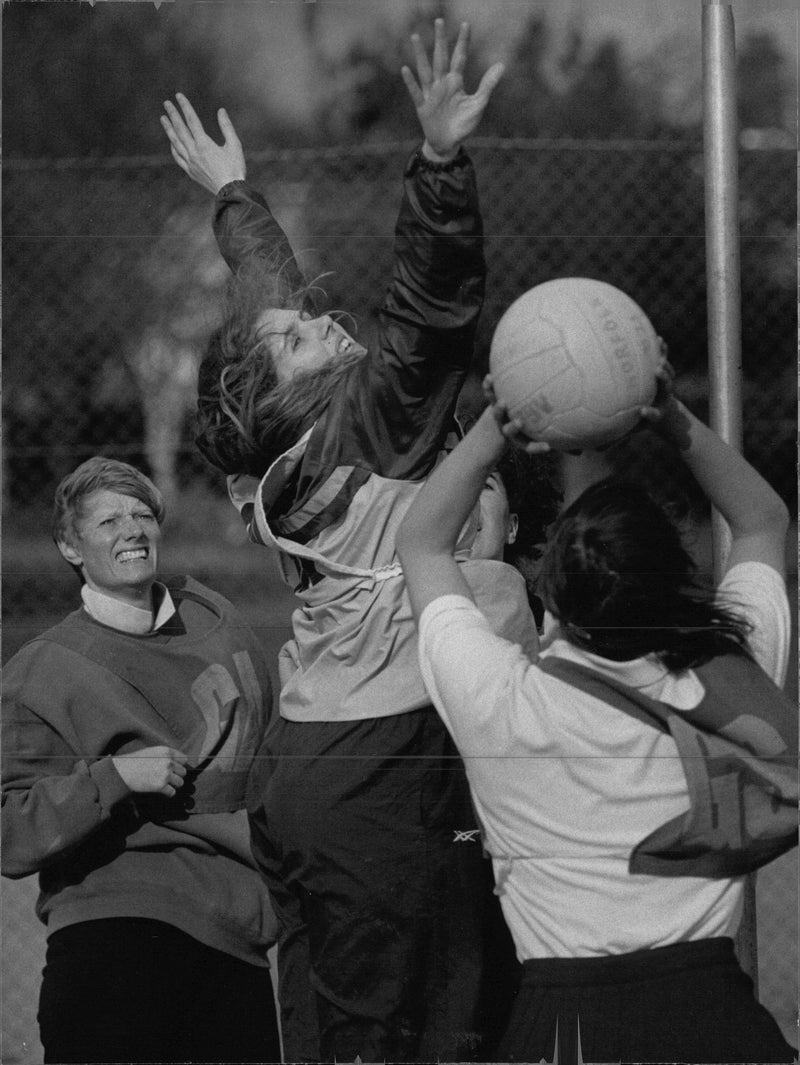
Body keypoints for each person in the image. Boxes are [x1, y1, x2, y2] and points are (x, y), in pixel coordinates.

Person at [160, 21, 532, 1063]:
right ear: (286, 396)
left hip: (311, 766)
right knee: (434, 1030)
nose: (315, 319)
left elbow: (265, 301)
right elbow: (430, 309)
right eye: (297, 340)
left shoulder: (290, 449)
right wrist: (440, 164)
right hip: (379, 768)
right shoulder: (362, 428)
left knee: (330, 1031)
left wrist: (233, 198)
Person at [396, 366, 797, 1064]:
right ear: (676, 575)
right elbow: (762, 520)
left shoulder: (504, 701)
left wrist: (498, 424)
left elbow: (422, 543)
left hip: (564, 1022)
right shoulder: (726, 678)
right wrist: (674, 416)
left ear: (553, 592)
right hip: (714, 1015)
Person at [1, 457, 281, 1065]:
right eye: (107, 521)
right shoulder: (42, 669)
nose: (131, 529)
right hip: (116, 922)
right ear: (70, 548)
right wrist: (113, 779)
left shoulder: (218, 620)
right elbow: (10, 830)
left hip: (235, 928)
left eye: (142, 515)